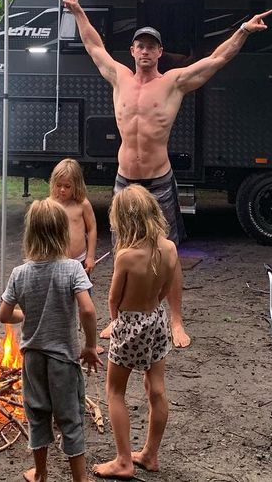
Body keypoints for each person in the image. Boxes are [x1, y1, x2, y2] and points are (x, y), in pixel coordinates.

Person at [62, 0, 272, 347]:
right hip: (125, 181)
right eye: (139, 45)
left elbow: (216, 60)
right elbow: (94, 45)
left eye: (151, 46)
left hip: (158, 180)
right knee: (123, 246)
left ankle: (175, 320)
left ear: (160, 52)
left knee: (168, 251)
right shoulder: (118, 77)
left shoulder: (174, 83)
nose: (145, 51)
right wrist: (79, 12)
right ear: (132, 51)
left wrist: (242, 30)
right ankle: (118, 318)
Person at [0, 198, 102, 482]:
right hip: (63, 360)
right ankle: (79, 479)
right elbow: (88, 309)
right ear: (62, 233)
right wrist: (91, 345)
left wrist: (25, 313)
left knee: (37, 414)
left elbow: (4, 314)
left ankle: (41, 472)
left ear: (30, 233)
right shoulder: (71, 269)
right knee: (70, 418)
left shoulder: (20, 274)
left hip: (33, 359)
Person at [93, 184, 178, 480]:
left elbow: (114, 298)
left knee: (115, 391)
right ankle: (151, 455)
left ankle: (123, 461)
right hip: (156, 320)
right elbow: (167, 289)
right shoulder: (169, 247)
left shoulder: (127, 256)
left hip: (130, 324)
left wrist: (115, 322)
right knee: (156, 389)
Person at [50, 158, 97, 273]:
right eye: (58, 185)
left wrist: (90, 256)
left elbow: (92, 228)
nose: (62, 190)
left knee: (82, 291)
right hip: (55, 262)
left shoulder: (82, 204)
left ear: (76, 185)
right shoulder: (50, 204)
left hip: (79, 261)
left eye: (67, 186)